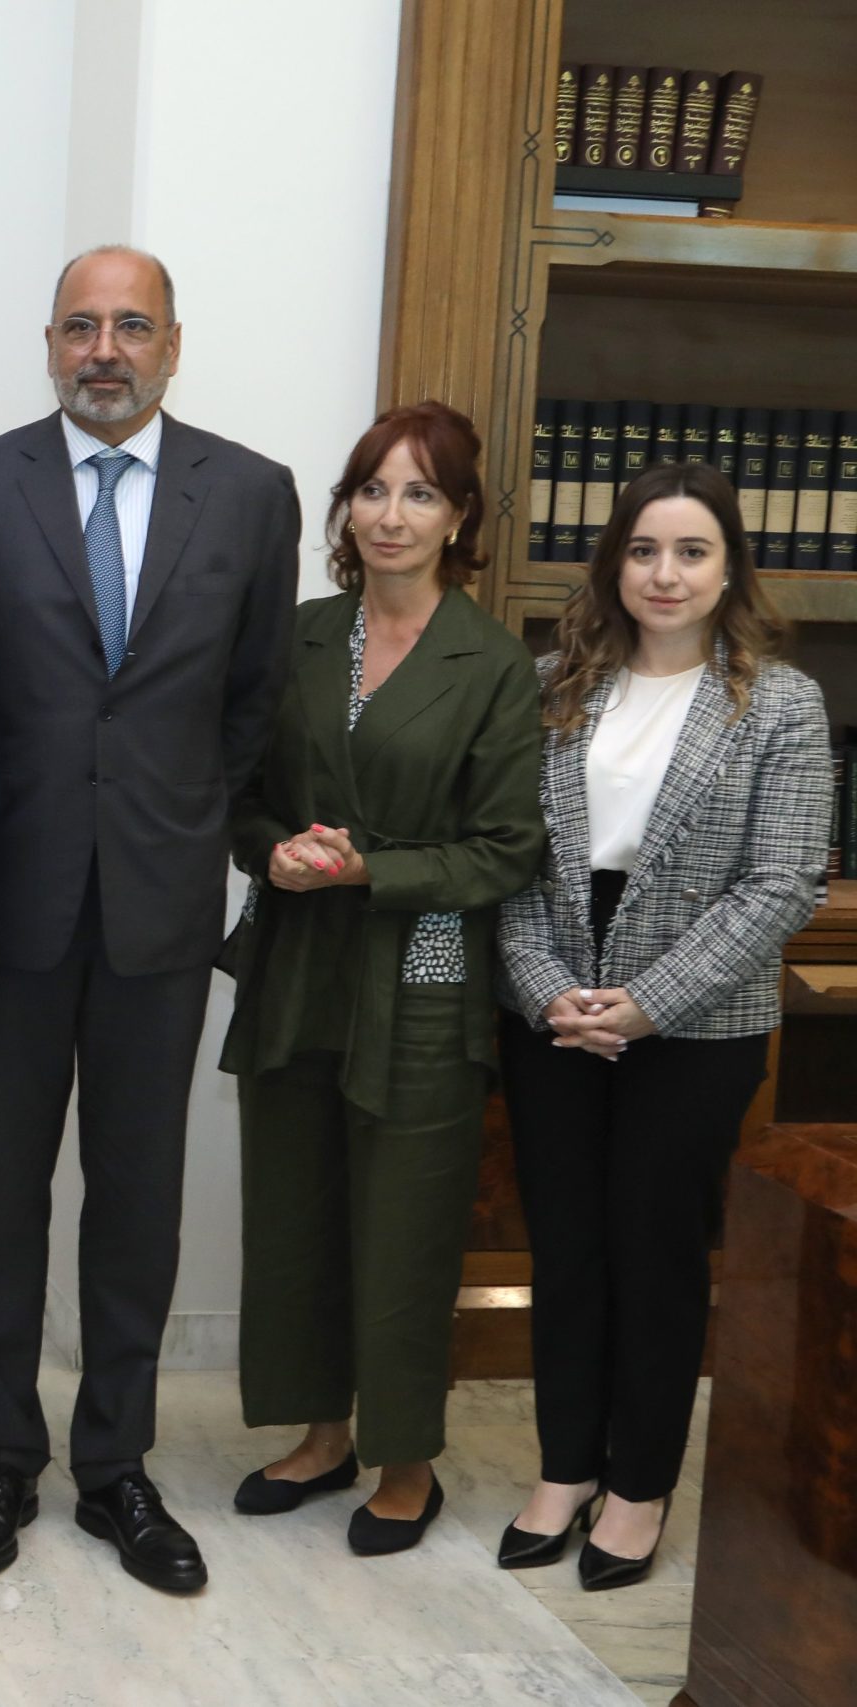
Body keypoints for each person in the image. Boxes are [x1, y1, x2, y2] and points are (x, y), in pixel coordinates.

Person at [0, 245, 297, 1593]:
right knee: (0, 1195)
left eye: (131, 326)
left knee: (137, 1199)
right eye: (81, 326)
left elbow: (253, 699)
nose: (105, 350)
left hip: (160, 902)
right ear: (48, 343)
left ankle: (116, 1465)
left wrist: (187, 822)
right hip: (9, 905)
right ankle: (1, 1457)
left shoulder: (250, 492)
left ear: (172, 345)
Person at [493, 460, 829, 1591]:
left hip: (697, 1018)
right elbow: (510, 859)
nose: (665, 573)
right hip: (552, 1002)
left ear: (730, 567)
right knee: (566, 1246)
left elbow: (782, 882)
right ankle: (563, 1469)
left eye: (691, 551)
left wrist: (649, 1003)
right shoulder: (550, 684)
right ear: (614, 564)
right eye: (643, 550)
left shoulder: (778, 702)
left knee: (655, 1251)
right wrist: (545, 986)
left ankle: (637, 1487)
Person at [219, 401, 543, 1554]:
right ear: (345, 510)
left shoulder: (492, 662)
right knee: (294, 1212)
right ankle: (322, 1435)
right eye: (371, 489)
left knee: (404, 1230)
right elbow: (238, 795)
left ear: (459, 518)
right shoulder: (298, 637)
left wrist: (372, 868)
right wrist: (271, 852)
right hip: (295, 964)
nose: (390, 514)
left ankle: (405, 1461)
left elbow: (507, 850)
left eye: (419, 493)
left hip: (422, 970)